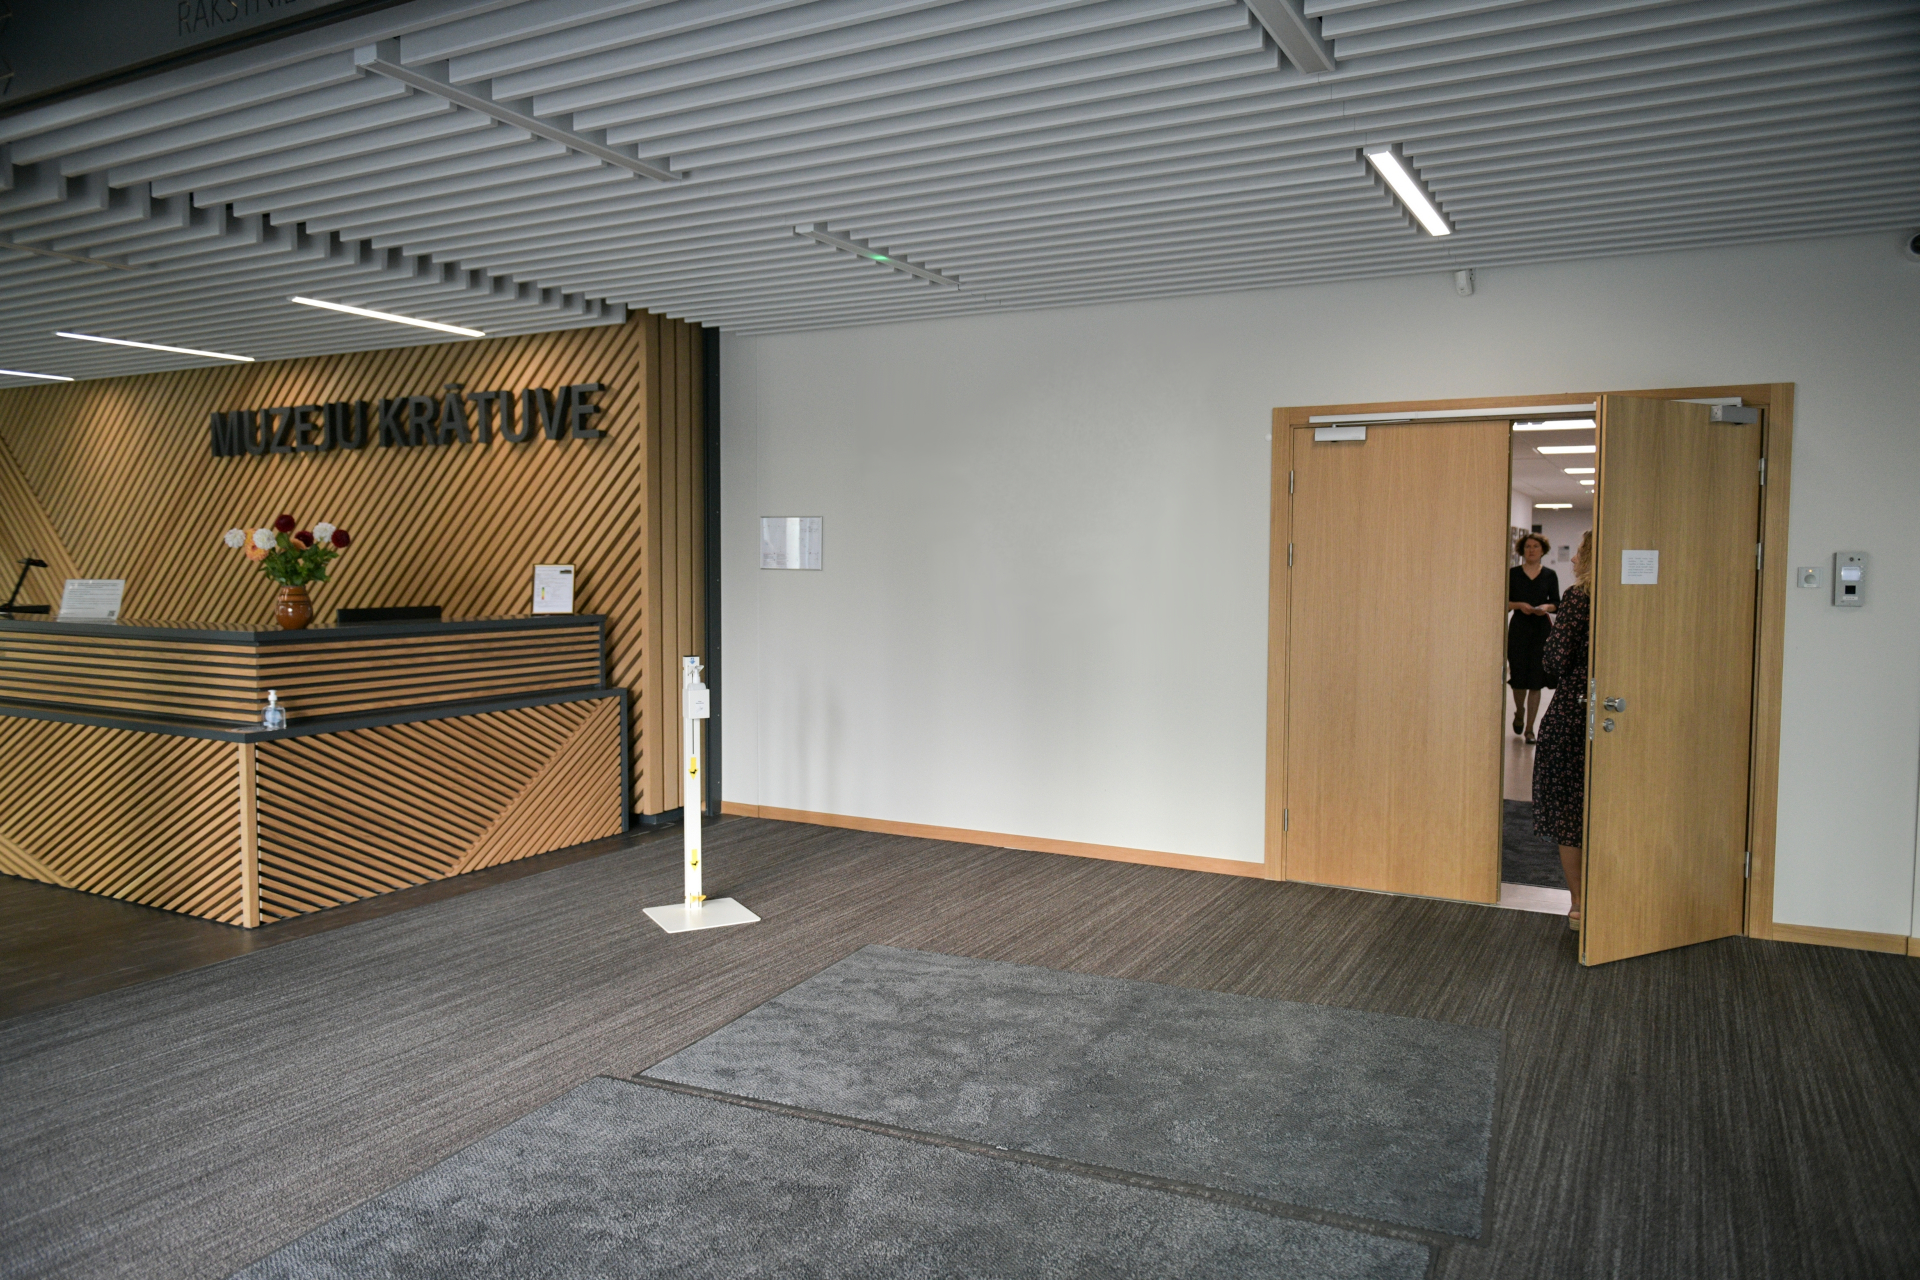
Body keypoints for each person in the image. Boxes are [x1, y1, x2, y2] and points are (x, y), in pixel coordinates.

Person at [1533, 530, 1591, 930]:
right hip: (1619, 711)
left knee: (1571, 812)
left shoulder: (1579, 597)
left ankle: (1580, 905)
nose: (1572, 559)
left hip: (1574, 712)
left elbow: (1554, 659)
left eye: (1580, 553)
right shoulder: (1631, 596)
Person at [1506, 532, 1560, 743]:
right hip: (1519, 629)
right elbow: (1503, 602)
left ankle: (1530, 729)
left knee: (1536, 681)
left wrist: (1545, 607)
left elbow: (1556, 603)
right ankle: (1519, 711)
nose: (1531, 550)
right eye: (1528, 546)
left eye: (1535, 546)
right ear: (1522, 549)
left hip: (1540, 631)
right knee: (1519, 678)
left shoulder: (1549, 575)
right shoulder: (1513, 574)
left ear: (1542, 550)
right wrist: (1520, 605)